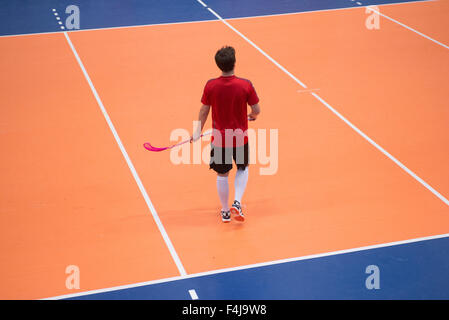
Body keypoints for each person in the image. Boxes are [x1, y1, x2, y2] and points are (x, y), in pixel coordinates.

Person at [191, 46, 261, 223]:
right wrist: (252, 116)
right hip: (240, 138)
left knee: (222, 174)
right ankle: (237, 202)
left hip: (220, 140)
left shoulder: (211, 85)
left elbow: (204, 111)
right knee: (243, 168)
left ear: (218, 65)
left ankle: (225, 211)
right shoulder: (246, 85)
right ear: (234, 63)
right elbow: (256, 110)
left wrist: (197, 131)